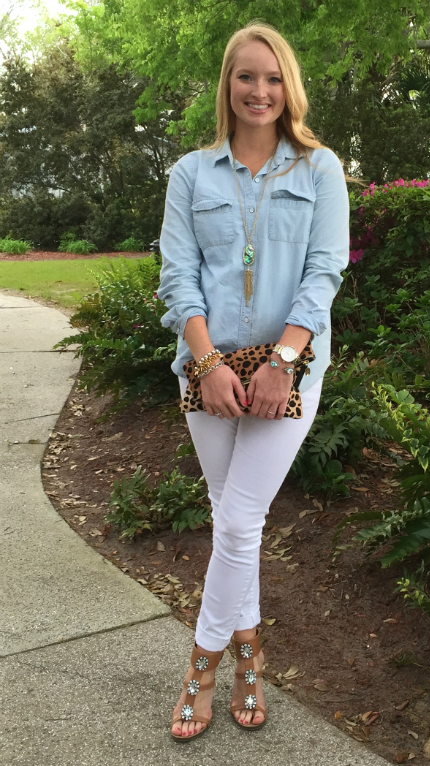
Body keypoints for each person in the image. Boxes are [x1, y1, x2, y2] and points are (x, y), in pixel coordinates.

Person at [157, 21, 349, 742]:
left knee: (239, 522)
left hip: (287, 373)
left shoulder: (319, 169)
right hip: (208, 373)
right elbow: (177, 277)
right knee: (232, 520)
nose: (259, 91)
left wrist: (282, 363)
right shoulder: (190, 173)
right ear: (227, 85)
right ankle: (249, 660)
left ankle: (200, 668)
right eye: (246, 76)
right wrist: (207, 364)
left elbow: (325, 271)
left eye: (272, 78)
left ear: (288, 87)